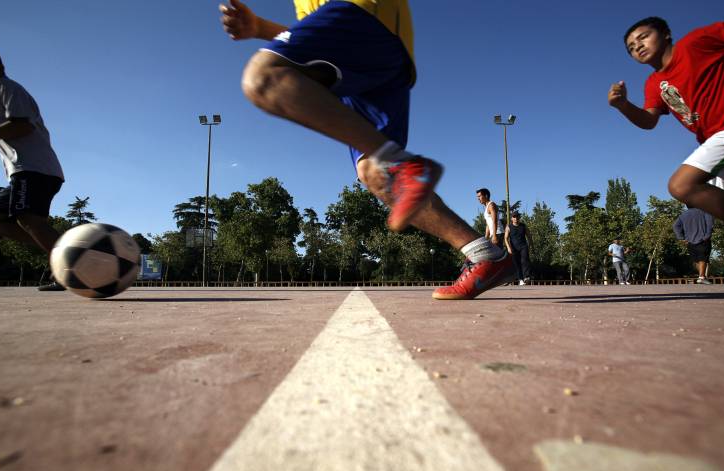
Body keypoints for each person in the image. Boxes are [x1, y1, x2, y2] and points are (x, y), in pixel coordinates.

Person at [218, 0, 515, 299]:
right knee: (375, 174)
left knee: (263, 77)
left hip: (363, 13)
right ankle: (485, 254)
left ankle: (402, 162)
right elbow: (314, 32)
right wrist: (259, 28)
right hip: (371, 54)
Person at [608, 14, 724, 275]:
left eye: (643, 37)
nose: (637, 46)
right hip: (723, 139)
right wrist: (623, 106)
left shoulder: (698, 42)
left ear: (667, 34)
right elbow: (649, 121)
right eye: (630, 47)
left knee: (681, 184)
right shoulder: (654, 84)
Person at [0, 37, 65, 291]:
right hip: (22, 171)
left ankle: (69, 266)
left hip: (34, 168)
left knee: (28, 219)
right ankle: (66, 247)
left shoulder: (7, 88)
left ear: (0, 66)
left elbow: (21, 125)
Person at [674, 207, 715, 284]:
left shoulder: (683, 215)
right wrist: (707, 236)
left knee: (696, 260)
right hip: (702, 240)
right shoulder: (705, 211)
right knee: (703, 258)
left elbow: (675, 226)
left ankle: (701, 276)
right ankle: (702, 277)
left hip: (689, 241)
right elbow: (710, 224)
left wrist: (681, 238)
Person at [504, 211, 533, 285]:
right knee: (517, 264)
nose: (516, 218)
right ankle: (520, 279)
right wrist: (508, 247)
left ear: (519, 217)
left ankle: (526, 277)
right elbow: (506, 238)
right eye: (514, 217)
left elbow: (529, 236)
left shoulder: (523, 226)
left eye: (517, 216)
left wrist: (530, 245)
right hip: (514, 248)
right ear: (511, 218)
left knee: (525, 260)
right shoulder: (509, 227)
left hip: (523, 246)